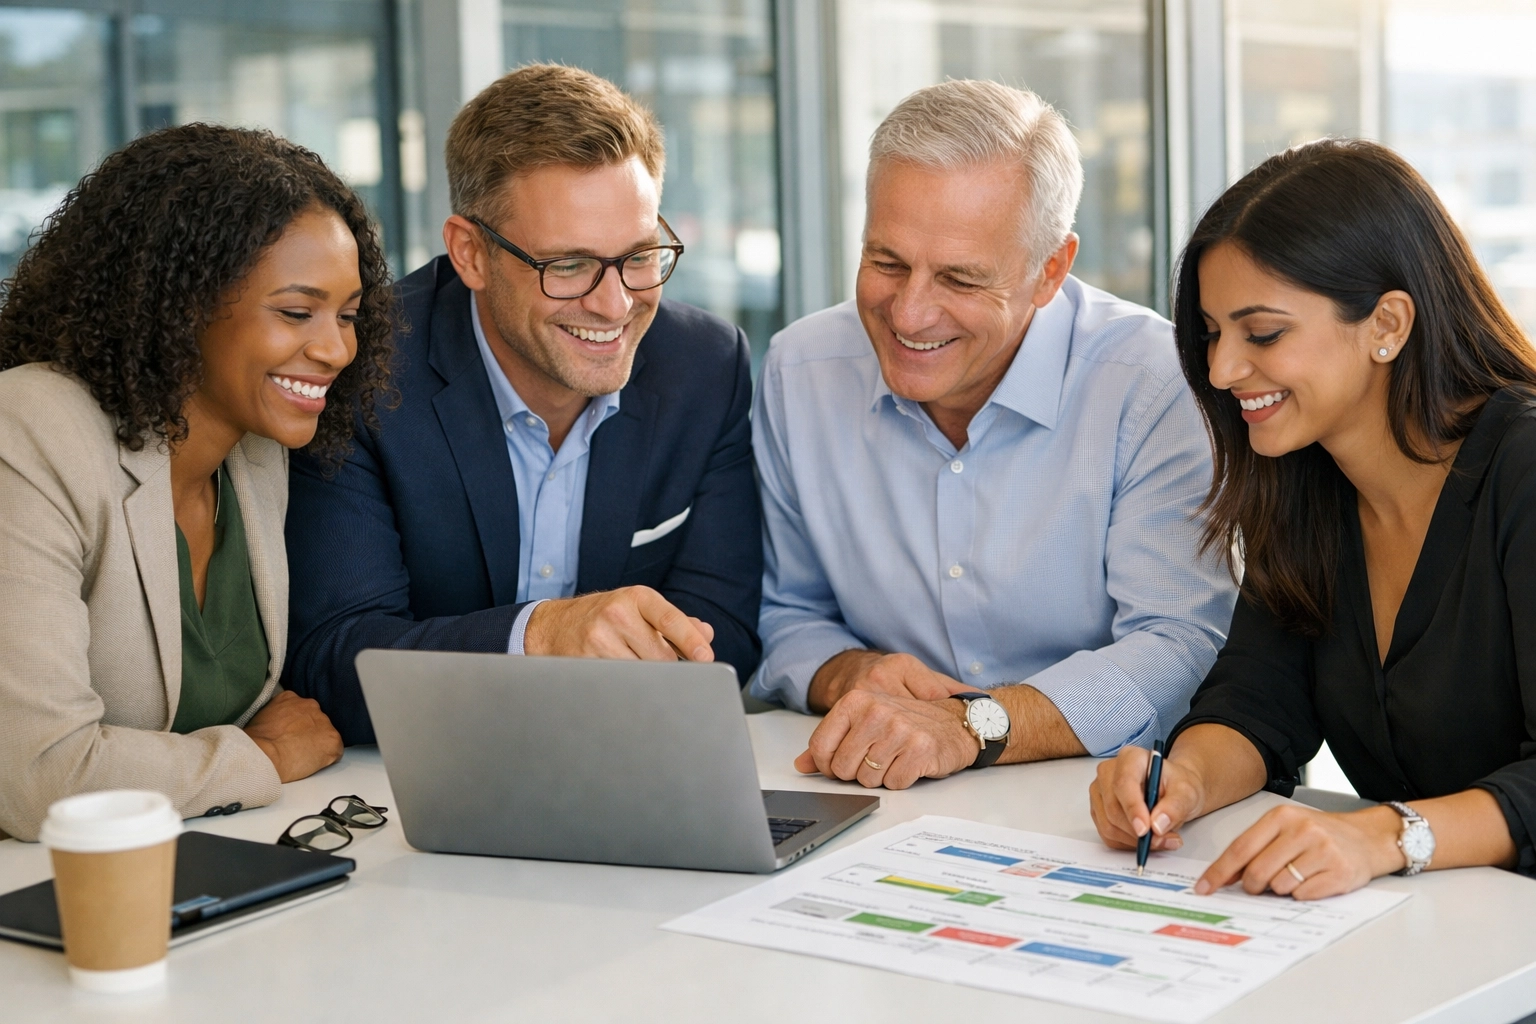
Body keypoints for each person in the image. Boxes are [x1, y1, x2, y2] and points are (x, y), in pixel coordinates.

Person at [751, 79, 1236, 790]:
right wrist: (852, 674)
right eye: (886, 262)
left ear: (1050, 271)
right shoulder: (801, 368)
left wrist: (973, 724)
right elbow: (785, 609)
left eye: (960, 279)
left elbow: (1178, 642)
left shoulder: (1153, 382)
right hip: (880, 789)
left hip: (1096, 800)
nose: (910, 314)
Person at [1089, 138, 1536, 899]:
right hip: (1446, 930)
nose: (1224, 369)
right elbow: (1259, 701)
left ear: (1387, 324)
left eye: (1263, 334)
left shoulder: (1523, 469)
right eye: (1211, 333)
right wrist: (1183, 779)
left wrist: (1386, 836)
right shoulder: (1305, 478)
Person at [284, 64, 762, 744]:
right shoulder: (364, 367)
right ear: (470, 253)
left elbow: (728, 632)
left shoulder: (707, 368)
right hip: (410, 785)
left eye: (640, 255)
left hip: (628, 764)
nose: (616, 303)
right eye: (567, 265)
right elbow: (336, 657)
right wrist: (540, 635)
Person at [0, 124, 395, 841]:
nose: (336, 349)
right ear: (179, 300)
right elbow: (39, 777)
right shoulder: (30, 429)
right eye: (296, 312)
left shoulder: (255, 456)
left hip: (195, 868)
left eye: (348, 315)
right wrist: (261, 757)